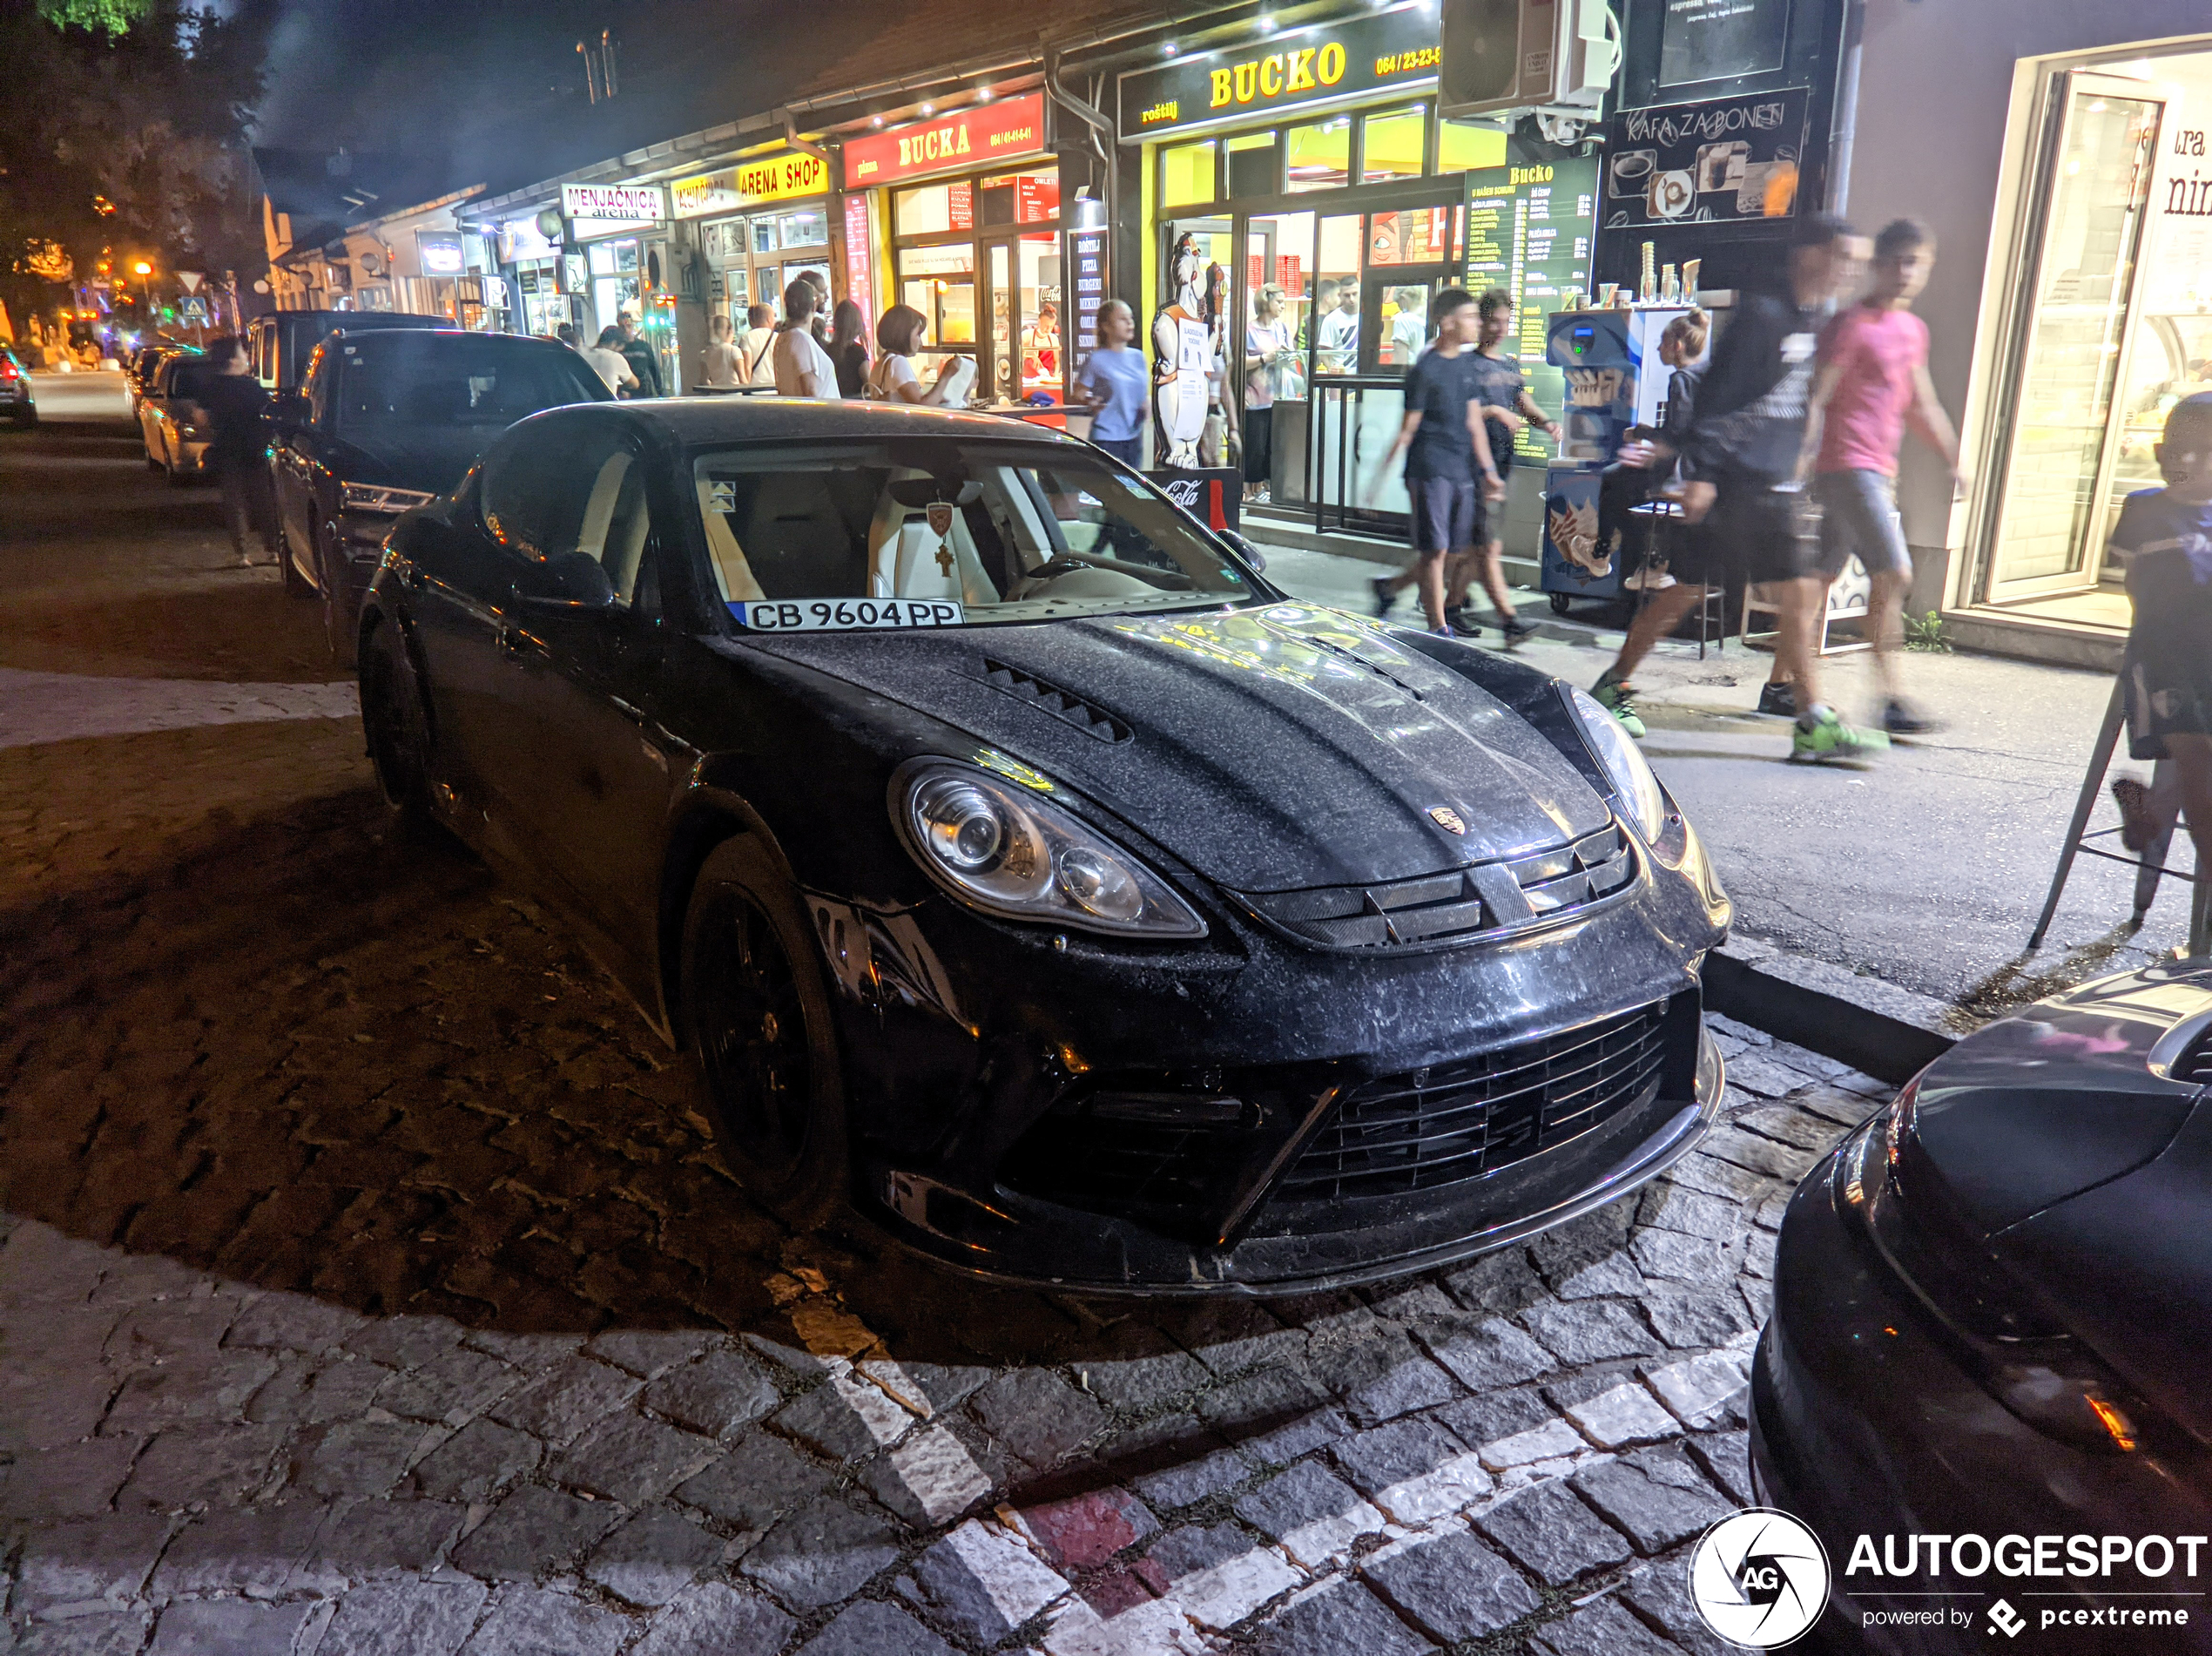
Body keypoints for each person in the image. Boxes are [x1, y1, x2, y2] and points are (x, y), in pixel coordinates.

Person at [1588, 214, 1878, 762]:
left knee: (1787, 595)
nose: (1849, 270)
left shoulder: (1815, 319)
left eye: (1857, 261)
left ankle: (1811, 717)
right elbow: (1717, 399)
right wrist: (1700, 477)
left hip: (1773, 485)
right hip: (1731, 483)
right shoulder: (1763, 317)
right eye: (1842, 256)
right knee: (1690, 592)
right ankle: (1615, 684)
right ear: (1809, 255)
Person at [1784, 217, 1963, 733]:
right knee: (1895, 571)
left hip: (1876, 470)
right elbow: (1818, 392)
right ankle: (1889, 698)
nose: (1907, 273)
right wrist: (1802, 455)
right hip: (1846, 467)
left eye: (1917, 263)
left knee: (1817, 581)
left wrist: (1952, 455)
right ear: (1879, 267)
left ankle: (1782, 686)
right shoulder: (1850, 325)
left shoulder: (1911, 330)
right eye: (1898, 262)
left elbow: (1920, 400)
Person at [2107, 392, 2212, 898]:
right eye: (2175, 449)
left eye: (2203, 451)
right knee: (2196, 756)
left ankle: (2144, 809)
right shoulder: (2146, 507)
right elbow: (2140, 589)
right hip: (2164, 662)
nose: (2185, 461)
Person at [1364, 288, 1504, 635]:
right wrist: (1376, 483)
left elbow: (1474, 423)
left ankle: (1390, 588)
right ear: (1447, 322)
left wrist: (1488, 472)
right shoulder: (1425, 369)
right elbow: (1407, 429)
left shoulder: (1468, 367)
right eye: (1470, 316)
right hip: (1429, 468)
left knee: (1454, 551)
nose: (1477, 323)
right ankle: (1439, 628)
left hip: (1462, 470)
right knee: (1436, 550)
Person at [1444, 287, 1559, 640]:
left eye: (1506, 322)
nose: (1500, 329)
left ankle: (1445, 602)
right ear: (1480, 322)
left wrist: (1548, 423)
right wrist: (1493, 410)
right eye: (1494, 322)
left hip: (1501, 466)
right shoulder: (1465, 365)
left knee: (1475, 546)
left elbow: (1523, 403)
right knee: (1485, 545)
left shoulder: (1509, 366)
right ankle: (1502, 618)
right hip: (1472, 468)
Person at [199, 338, 272, 566]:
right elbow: (269, 415)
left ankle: (242, 554)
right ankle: (273, 551)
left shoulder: (210, 387)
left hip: (227, 452)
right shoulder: (252, 387)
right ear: (232, 359)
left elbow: (200, 417)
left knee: (235, 504)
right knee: (265, 502)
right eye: (242, 353)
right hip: (256, 451)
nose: (246, 357)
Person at [1072, 299, 1149, 469]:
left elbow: (1142, 396)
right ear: (1106, 326)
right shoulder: (1096, 360)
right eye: (1122, 319)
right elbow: (1078, 395)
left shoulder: (1138, 357)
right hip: (1107, 440)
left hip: (1134, 438)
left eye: (1130, 318)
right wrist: (1089, 403)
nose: (1129, 323)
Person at [1243, 285, 1291, 502]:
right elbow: (1239, 363)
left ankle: (1270, 488)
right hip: (1254, 397)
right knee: (1256, 448)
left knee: (1275, 447)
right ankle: (1252, 489)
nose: (1282, 306)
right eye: (1278, 301)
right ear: (1266, 301)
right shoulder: (1248, 330)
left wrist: (1287, 356)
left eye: (1283, 302)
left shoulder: (1282, 328)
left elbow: (1290, 357)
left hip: (1279, 397)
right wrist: (1265, 358)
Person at [867, 304, 966, 406]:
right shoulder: (898, 362)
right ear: (903, 334)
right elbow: (922, 406)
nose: (921, 343)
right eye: (918, 335)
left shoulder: (881, 362)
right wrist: (946, 375)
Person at [772, 277, 841, 399]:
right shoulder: (801, 341)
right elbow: (810, 392)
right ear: (813, 306)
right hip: (824, 416)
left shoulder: (783, 339)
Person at [829, 299, 871, 399]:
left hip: (833, 405)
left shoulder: (827, 350)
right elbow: (868, 383)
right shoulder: (858, 352)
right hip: (855, 407)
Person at [1317, 281, 1359, 374]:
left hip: (1363, 375)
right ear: (1340, 296)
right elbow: (1323, 353)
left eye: (1355, 294)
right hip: (1341, 377)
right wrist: (1332, 372)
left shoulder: (1367, 316)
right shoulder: (1331, 320)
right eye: (1347, 295)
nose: (1351, 299)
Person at [616, 314, 663, 397]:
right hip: (626, 395)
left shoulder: (644, 346)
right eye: (623, 327)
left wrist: (660, 393)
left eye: (629, 326)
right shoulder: (616, 349)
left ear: (633, 326)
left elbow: (654, 370)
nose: (626, 330)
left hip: (645, 393)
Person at [583, 326, 638, 395]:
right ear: (614, 344)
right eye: (619, 350)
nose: (619, 352)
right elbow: (634, 384)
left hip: (584, 404)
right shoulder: (615, 357)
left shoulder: (583, 355)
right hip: (606, 404)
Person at [699, 313, 745, 390]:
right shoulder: (733, 350)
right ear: (730, 331)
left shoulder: (706, 353)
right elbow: (742, 379)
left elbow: (703, 380)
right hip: (734, 394)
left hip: (716, 395)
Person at [738, 303, 778, 386]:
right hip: (774, 388)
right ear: (769, 319)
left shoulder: (747, 337)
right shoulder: (778, 337)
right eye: (774, 317)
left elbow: (747, 367)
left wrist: (746, 388)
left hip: (755, 390)